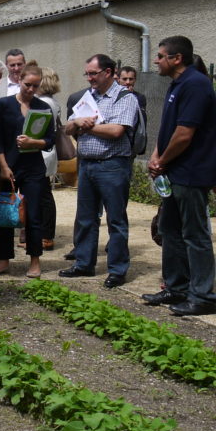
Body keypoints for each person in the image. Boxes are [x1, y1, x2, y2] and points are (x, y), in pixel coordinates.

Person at [142, 36, 216, 316]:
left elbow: (185, 134)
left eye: (160, 56)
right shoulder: (177, 85)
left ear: (177, 59)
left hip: (191, 172)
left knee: (195, 235)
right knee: (169, 230)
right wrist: (157, 156)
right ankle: (176, 287)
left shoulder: (197, 85)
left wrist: (162, 160)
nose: (156, 60)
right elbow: (170, 128)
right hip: (173, 172)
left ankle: (203, 295)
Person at [60, 54, 138, 288]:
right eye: (88, 74)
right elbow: (68, 127)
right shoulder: (88, 96)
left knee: (116, 220)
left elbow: (116, 131)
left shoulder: (125, 97)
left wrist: (88, 126)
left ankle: (117, 269)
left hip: (113, 165)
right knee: (85, 218)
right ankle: (84, 263)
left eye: (93, 73)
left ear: (109, 72)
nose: (90, 78)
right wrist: (78, 123)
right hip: (87, 165)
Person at [0, 64, 54, 278]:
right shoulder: (3, 105)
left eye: (35, 86)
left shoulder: (43, 107)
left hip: (33, 168)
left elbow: (51, 140)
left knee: (34, 215)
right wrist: (4, 167)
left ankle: (35, 261)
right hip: (8, 167)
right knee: (6, 215)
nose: (31, 90)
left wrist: (34, 141)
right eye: (27, 85)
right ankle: (3, 260)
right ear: (19, 81)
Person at [36, 67, 62, 250]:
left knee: (43, 196)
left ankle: (46, 235)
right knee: (45, 194)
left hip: (41, 153)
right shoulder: (54, 102)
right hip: (49, 153)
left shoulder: (41, 102)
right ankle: (45, 234)